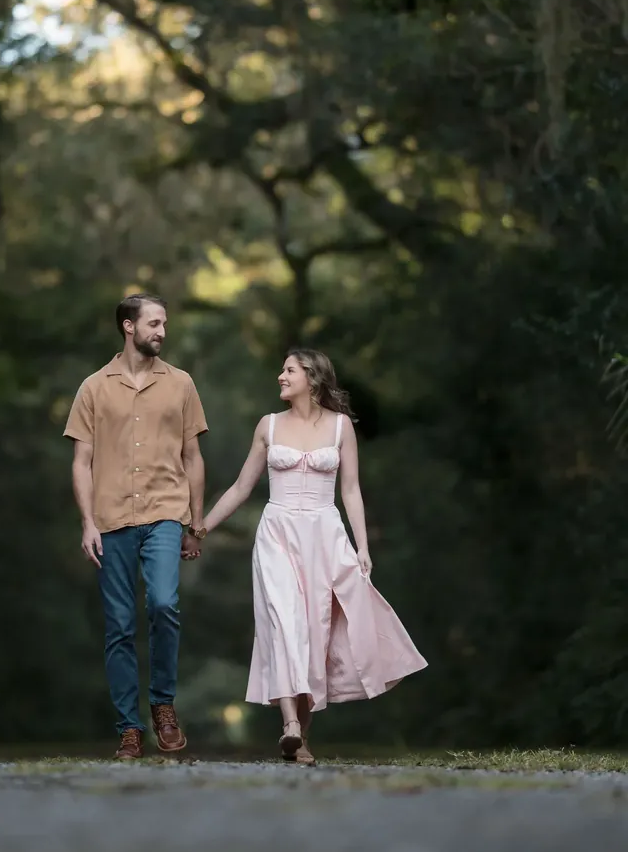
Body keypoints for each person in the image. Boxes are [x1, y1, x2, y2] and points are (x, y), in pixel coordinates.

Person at [195, 348, 426, 764]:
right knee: (285, 623)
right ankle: (290, 725)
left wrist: (363, 547)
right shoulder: (268, 426)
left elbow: (350, 490)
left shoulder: (340, 428)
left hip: (325, 534)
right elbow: (240, 487)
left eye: (289, 370)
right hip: (277, 533)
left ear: (312, 378)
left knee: (316, 632)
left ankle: (301, 739)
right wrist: (202, 528)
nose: (280, 376)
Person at [64, 294, 208, 760]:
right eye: (154, 323)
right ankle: (129, 727)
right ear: (129, 327)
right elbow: (81, 461)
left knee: (165, 604)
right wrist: (87, 522)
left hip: (166, 512)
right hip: (110, 518)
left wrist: (196, 522)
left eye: (164, 323)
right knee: (120, 626)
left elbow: (193, 456)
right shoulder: (93, 387)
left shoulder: (182, 384)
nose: (162, 331)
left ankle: (163, 706)